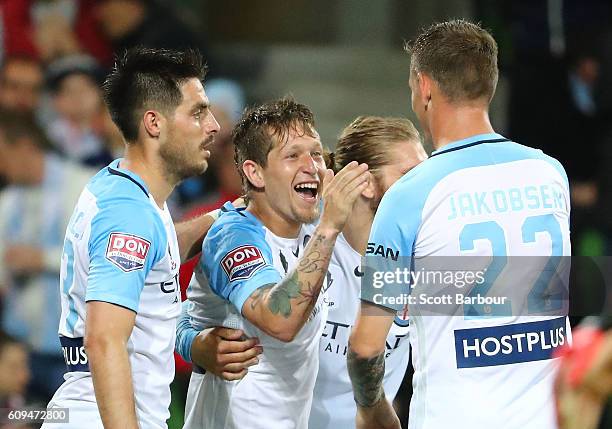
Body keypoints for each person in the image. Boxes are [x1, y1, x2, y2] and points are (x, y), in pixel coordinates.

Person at [347, 19, 571, 429]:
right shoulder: (551, 174)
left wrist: (371, 410)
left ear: (425, 86)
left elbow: (365, 348)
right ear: (491, 84)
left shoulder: (411, 194)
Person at [41, 47, 220, 429]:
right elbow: (104, 341)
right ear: (154, 123)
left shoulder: (125, 191)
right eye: (198, 112)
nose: (214, 126)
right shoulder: (129, 215)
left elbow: (155, 255)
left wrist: (219, 220)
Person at [175, 96, 369, 429]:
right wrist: (330, 227)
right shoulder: (235, 236)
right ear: (256, 173)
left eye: (316, 153)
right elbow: (280, 322)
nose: (312, 165)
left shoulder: (307, 217)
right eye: (293, 155)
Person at [310, 116, 426, 428]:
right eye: (409, 176)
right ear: (365, 183)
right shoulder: (307, 243)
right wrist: (193, 341)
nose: (425, 189)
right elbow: (197, 313)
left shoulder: (425, 257)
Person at [0, 109, 94, 401]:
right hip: (23, 350)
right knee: (23, 419)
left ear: (25, 147)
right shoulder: (7, 200)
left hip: (74, 349)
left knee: (71, 420)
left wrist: (42, 259)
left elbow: (97, 254)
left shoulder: (82, 186)